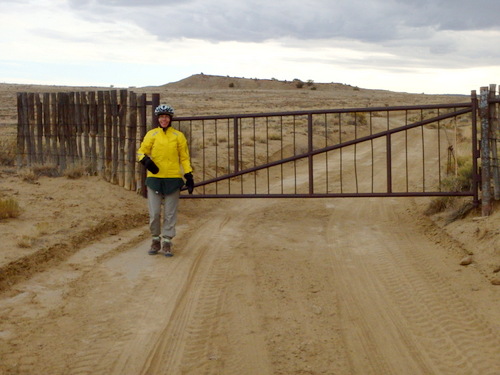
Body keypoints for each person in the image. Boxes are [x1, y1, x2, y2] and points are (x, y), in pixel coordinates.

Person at [137, 104, 194, 257]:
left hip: (173, 179)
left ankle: (167, 242)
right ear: (158, 119)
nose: (164, 119)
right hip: (154, 179)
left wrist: (188, 174)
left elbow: (184, 157)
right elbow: (141, 152)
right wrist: (146, 161)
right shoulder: (152, 135)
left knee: (170, 213)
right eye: (161, 117)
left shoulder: (178, 136)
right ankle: (155, 240)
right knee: (155, 213)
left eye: (166, 117)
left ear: (170, 119)